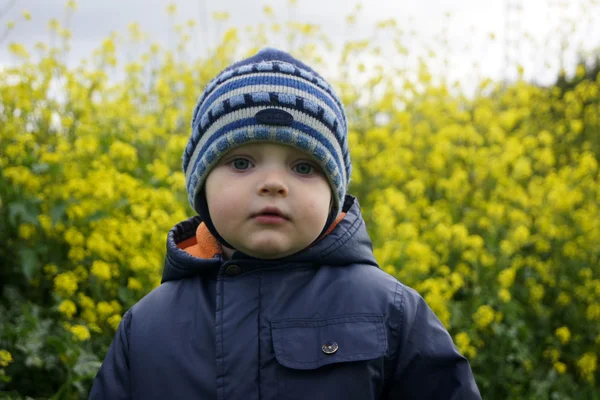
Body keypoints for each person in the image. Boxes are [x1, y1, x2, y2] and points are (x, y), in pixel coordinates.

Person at [89, 47, 481, 399]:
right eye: (241, 163)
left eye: (303, 167)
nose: (273, 184)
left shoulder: (391, 311)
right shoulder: (146, 327)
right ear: (201, 185)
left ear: (333, 195)